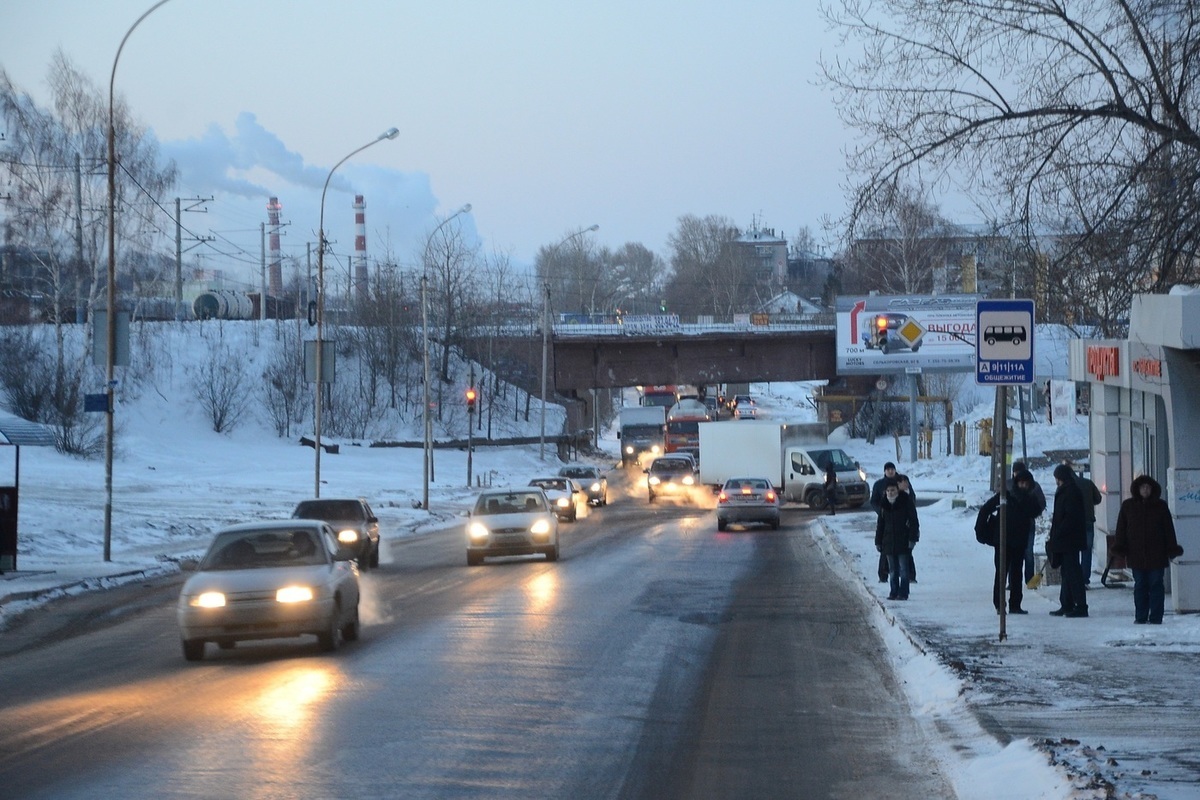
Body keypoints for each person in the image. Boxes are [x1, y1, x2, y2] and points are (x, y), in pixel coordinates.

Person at [1111, 475, 1185, 624]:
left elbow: (1168, 530)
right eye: (1143, 487)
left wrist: (1171, 548)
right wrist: (1120, 547)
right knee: (1140, 586)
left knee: (1156, 585)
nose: (1145, 490)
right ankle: (1141, 616)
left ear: (1152, 489)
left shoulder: (1161, 506)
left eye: (1148, 487)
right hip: (1136, 554)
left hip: (1157, 554)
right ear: (1137, 489)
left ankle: (1156, 617)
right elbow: (1121, 529)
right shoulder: (1128, 506)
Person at [975, 470, 1039, 614]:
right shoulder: (1005, 496)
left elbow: (1036, 510)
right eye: (1021, 483)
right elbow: (985, 509)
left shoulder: (1029, 498)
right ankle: (999, 604)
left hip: (1019, 541)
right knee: (1001, 573)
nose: (1023, 486)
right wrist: (981, 531)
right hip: (1003, 541)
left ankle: (1015, 605)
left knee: (1016, 573)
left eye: (1026, 483)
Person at [1047, 463, 1089, 617]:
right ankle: (1067, 604)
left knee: (1073, 573)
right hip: (1066, 539)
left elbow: (1069, 518)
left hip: (1069, 540)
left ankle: (1080, 606)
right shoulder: (1067, 490)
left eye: (1057, 478)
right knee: (1066, 573)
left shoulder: (1070, 492)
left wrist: (1058, 533)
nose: (1056, 481)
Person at [871, 462, 917, 583]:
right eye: (888, 469)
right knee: (886, 552)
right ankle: (883, 575)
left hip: (902, 525)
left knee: (905, 554)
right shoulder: (879, 484)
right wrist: (881, 512)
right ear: (885, 471)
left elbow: (911, 498)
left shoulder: (902, 480)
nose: (890, 471)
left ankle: (910, 577)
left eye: (892, 469)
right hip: (887, 523)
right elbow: (874, 501)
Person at [875, 480, 919, 601]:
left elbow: (914, 522)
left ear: (897, 490)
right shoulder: (884, 505)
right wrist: (878, 541)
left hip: (903, 541)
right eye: (888, 491)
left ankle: (903, 592)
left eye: (893, 490)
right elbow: (880, 525)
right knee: (893, 570)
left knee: (904, 569)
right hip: (888, 542)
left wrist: (912, 539)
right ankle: (893, 591)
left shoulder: (905, 502)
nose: (890, 493)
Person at [1064, 459, 1103, 585]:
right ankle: (1084, 579)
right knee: (1086, 552)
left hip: (1072, 525)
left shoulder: (1066, 487)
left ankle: (1075, 579)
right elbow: (1098, 499)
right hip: (1088, 522)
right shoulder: (1087, 483)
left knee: (1073, 552)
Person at [1010, 461, 1047, 583]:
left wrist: (1032, 512)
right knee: (1013, 554)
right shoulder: (1009, 486)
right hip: (1013, 526)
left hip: (1028, 524)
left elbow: (1041, 503)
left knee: (1028, 553)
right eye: (1016, 473)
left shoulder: (1034, 486)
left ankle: (1029, 579)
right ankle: (1013, 581)